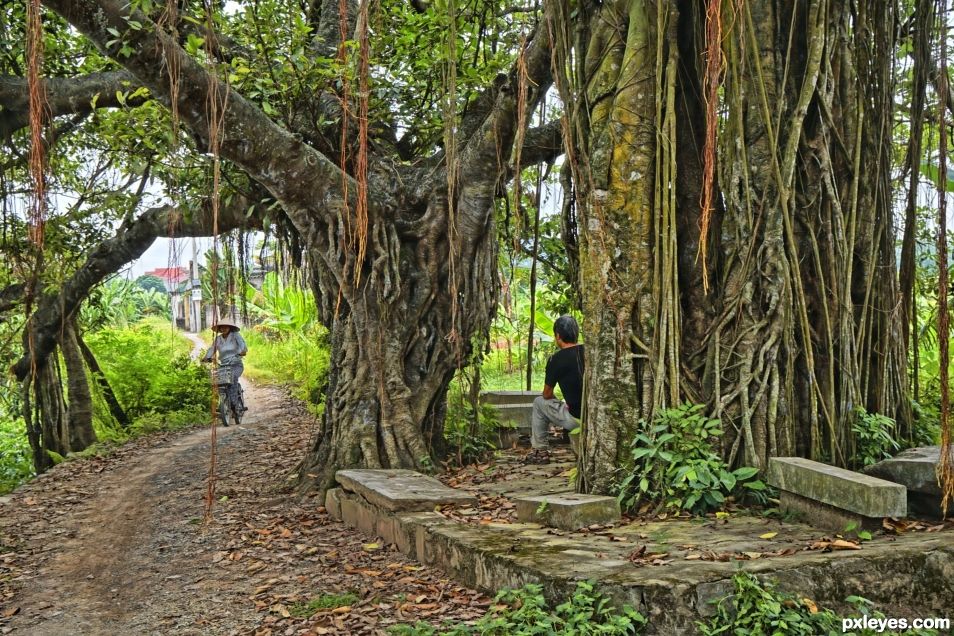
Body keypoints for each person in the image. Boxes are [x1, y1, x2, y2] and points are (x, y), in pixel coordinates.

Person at [526, 315, 584, 464]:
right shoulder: (589, 352)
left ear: (558, 335)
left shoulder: (555, 359)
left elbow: (546, 394)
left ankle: (541, 452)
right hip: (597, 415)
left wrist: (560, 401)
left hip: (576, 418)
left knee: (539, 402)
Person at [202, 318, 248, 422]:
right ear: (219, 329)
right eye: (221, 327)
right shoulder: (218, 339)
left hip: (236, 364)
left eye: (226, 327)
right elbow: (212, 349)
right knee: (219, 382)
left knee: (233, 378)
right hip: (224, 365)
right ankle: (225, 403)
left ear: (230, 327)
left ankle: (235, 404)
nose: (224, 328)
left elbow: (242, 345)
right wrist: (207, 357)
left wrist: (242, 351)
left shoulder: (236, 336)